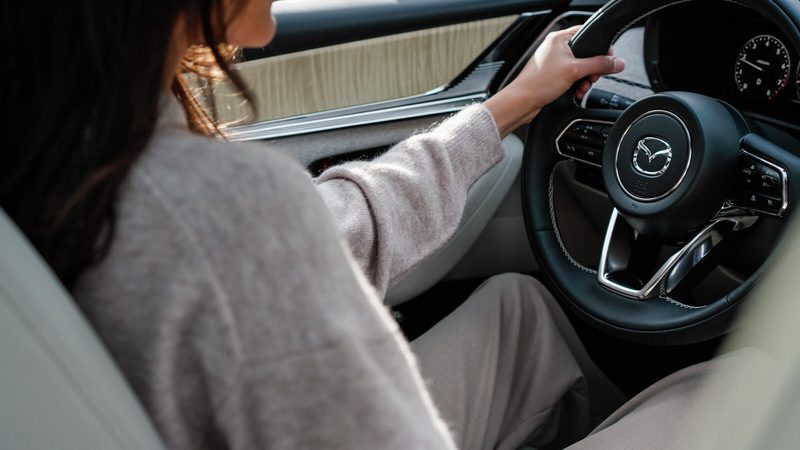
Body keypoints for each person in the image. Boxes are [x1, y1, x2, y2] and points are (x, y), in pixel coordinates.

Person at [1, 0, 759, 449]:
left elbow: (331, 229)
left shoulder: (72, 163)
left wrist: (506, 109)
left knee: (519, 315)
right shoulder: (211, 212)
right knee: (744, 385)